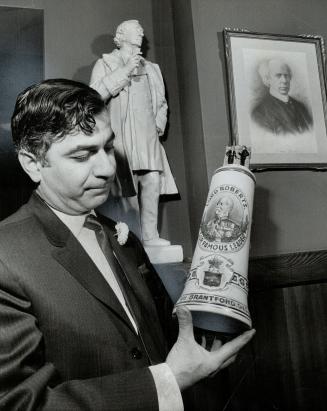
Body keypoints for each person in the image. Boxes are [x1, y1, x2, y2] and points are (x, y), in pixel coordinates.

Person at [0, 79, 255, 410]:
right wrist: (169, 380)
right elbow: (18, 404)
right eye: (82, 155)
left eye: (107, 147)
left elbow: (160, 338)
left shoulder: (123, 238)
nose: (108, 168)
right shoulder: (6, 256)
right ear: (32, 163)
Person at [90, 19, 177, 247]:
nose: (141, 32)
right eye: (135, 29)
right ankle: (133, 240)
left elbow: (162, 102)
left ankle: (150, 236)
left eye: (141, 29)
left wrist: (159, 123)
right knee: (125, 187)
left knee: (152, 180)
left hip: (147, 134)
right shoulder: (106, 63)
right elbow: (94, 96)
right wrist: (125, 70)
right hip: (119, 133)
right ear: (120, 35)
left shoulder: (152, 68)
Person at [251, 58, 313, 134]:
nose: (284, 80)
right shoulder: (259, 112)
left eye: (286, 75)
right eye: (278, 75)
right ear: (267, 80)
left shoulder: (301, 107)